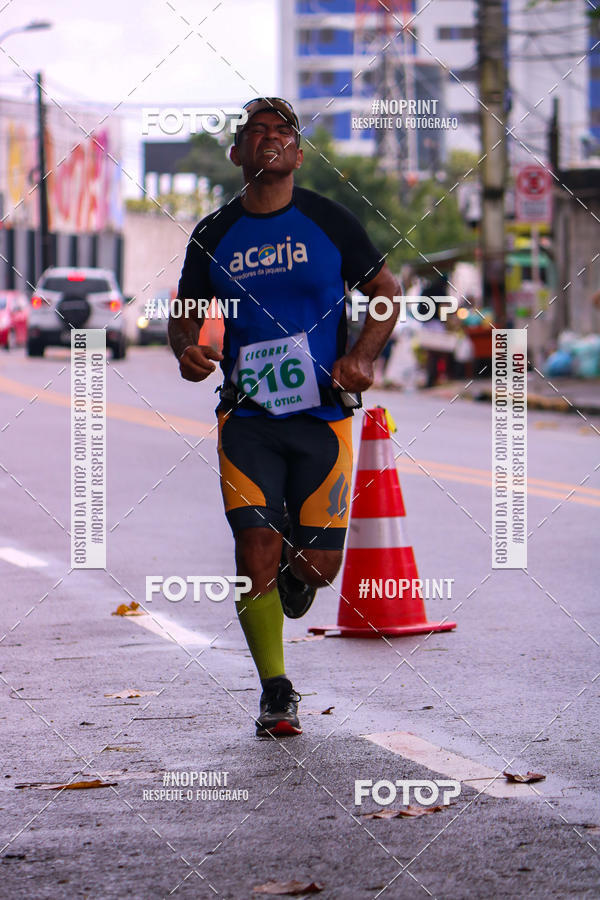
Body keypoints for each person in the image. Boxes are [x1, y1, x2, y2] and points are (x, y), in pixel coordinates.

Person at [168, 98, 399, 738]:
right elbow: (184, 313)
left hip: (323, 417)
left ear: (297, 155)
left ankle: (298, 576)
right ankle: (275, 690)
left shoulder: (329, 221)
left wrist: (362, 356)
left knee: (318, 568)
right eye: (255, 131)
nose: (269, 138)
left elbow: (386, 292)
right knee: (255, 548)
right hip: (247, 418)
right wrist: (186, 349)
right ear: (237, 152)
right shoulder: (214, 233)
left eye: (282, 131)